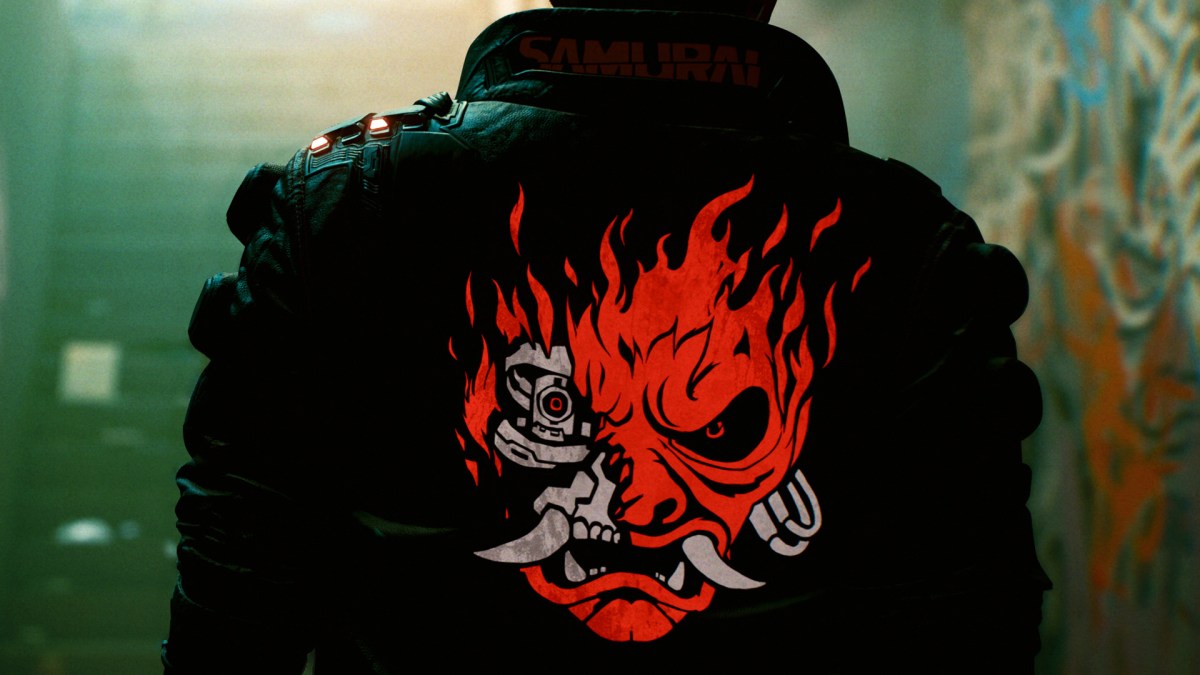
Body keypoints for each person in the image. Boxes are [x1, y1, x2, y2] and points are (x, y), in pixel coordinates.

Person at [162, 1, 1049, 672]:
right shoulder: (904, 249)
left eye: (716, 426)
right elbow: (971, 629)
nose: (640, 500)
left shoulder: (349, 204)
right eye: (556, 411)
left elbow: (233, 610)